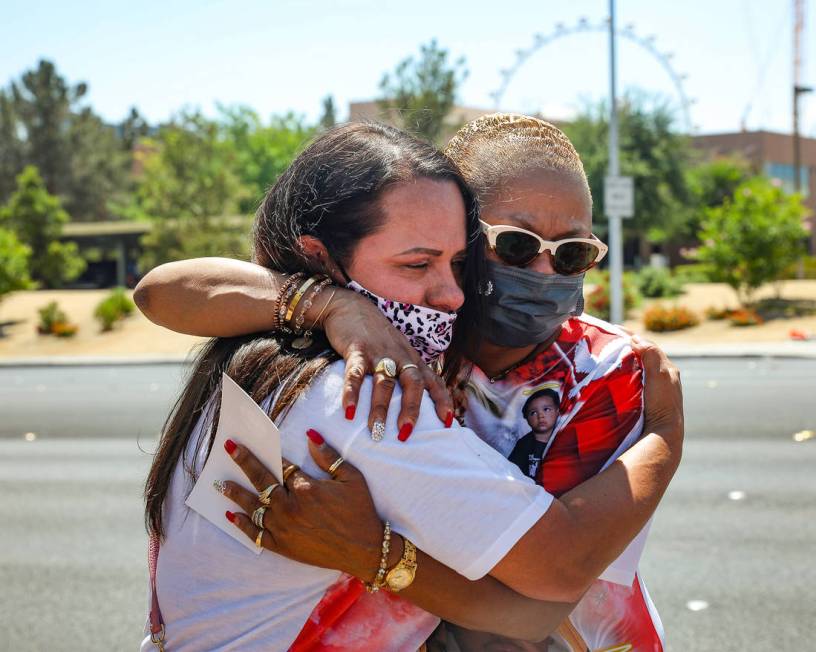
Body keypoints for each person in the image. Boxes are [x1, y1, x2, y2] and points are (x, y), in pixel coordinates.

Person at [137, 115, 683, 651]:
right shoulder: (376, 384)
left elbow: (539, 601)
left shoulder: (602, 370)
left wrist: (373, 553)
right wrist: (335, 305)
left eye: (573, 254)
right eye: (515, 247)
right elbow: (160, 290)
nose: (544, 274)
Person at [508, 388, 561, 478]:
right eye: (533, 413)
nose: (541, 416)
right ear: (527, 420)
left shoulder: (563, 436)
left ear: (557, 412)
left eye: (546, 409)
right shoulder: (524, 444)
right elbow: (512, 472)